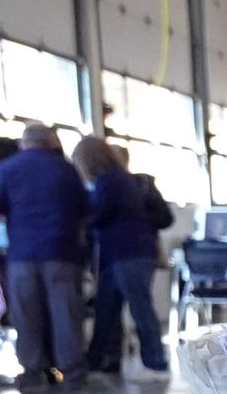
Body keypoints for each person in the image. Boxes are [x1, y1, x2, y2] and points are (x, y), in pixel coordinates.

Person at [0, 123, 90, 391]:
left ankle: (32, 374)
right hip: (63, 253)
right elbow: (85, 211)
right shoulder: (66, 169)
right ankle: (72, 374)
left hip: (21, 257)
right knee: (66, 313)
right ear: (52, 144)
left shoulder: (7, 168)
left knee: (26, 314)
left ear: (22, 143)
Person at [71, 138, 168, 380]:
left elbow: (97, 215)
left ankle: (155, 363)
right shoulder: (121, 179)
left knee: (138, 307)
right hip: (127, 253)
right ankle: (96, 362)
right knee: (107, 309)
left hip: (127, 254)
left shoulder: (109, 182)